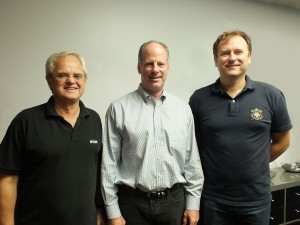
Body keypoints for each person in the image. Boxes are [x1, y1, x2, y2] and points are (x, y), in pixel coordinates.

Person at [189, 30, 292, 225]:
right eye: (225, 53)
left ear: (249, 57)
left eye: (238, 52)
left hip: (256, 201)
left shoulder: (271, 95)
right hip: (213, 200)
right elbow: (193, 147)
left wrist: (254, 162)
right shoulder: (199, 99)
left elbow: (283, 141)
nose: (232, 58)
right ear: (216, 59)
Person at [101, 40, 204, 225]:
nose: (155, 69)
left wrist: (193, 204)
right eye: (149, 63)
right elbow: (108, 164)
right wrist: (112, 212)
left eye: (160, 63)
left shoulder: (183, 110)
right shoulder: (118, 109)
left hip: (174, 204)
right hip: (131, 205)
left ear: (168, 67)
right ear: (139, 67)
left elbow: (192, 162)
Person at [0, 51, 106, 225]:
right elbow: (7, 179)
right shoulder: (26, 121)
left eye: (77, 75)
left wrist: (100, 212)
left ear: (84, 81)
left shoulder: (94, 120)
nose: (71, 81)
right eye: (62, 75)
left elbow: (97, 175)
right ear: (49, 80)